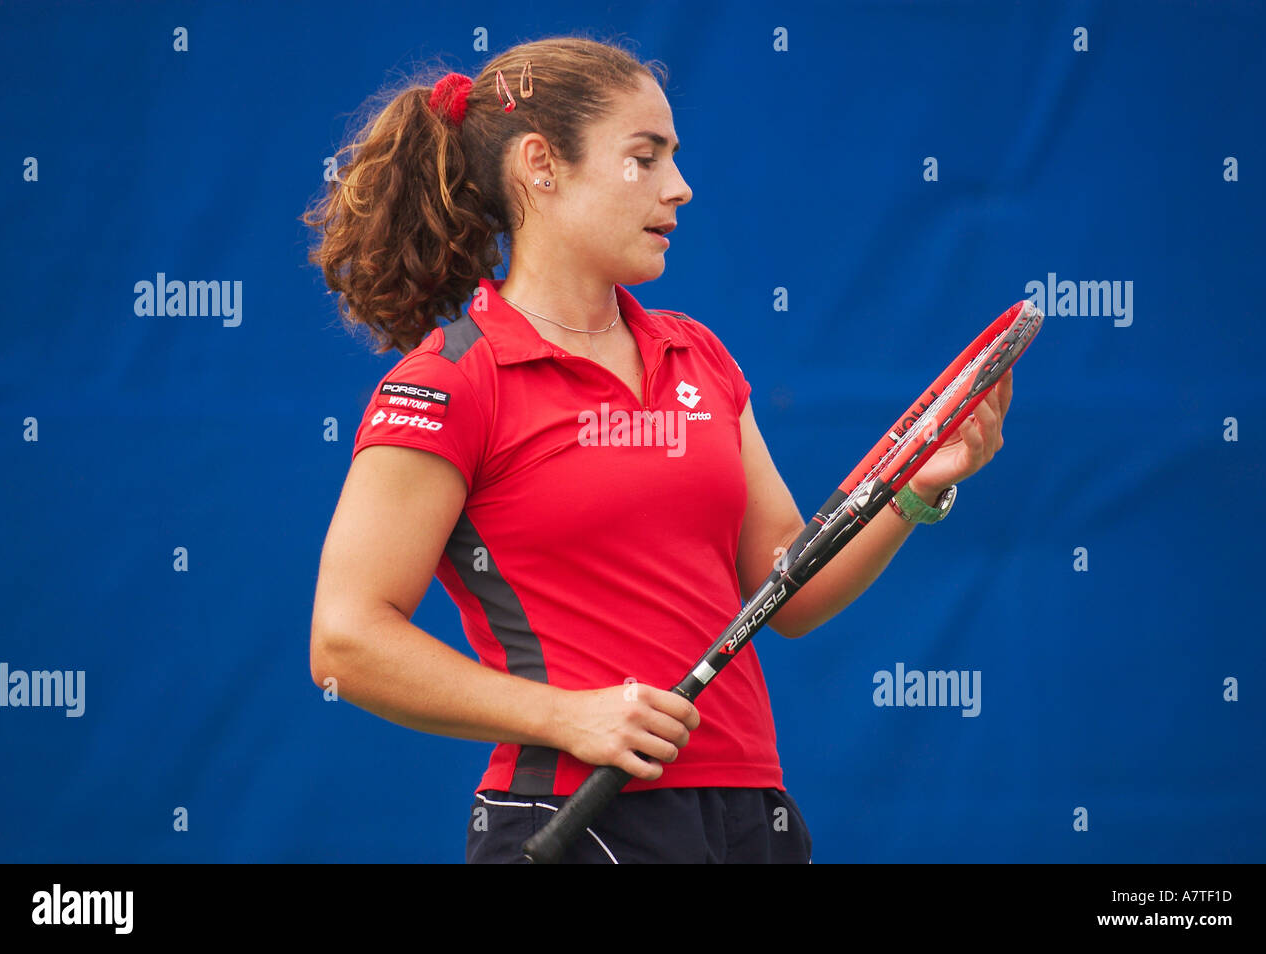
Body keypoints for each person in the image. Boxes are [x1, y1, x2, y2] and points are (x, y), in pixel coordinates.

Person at [301, 36, 1012, 864]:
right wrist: (568, 716)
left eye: (673, 156)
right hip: (573, 815)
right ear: (542, 164)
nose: (680, 187)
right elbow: (345, 641)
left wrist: (915, 491)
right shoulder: (451, 381)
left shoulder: (697, 354)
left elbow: (786, 588)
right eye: (645, 157)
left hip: (750, 815)